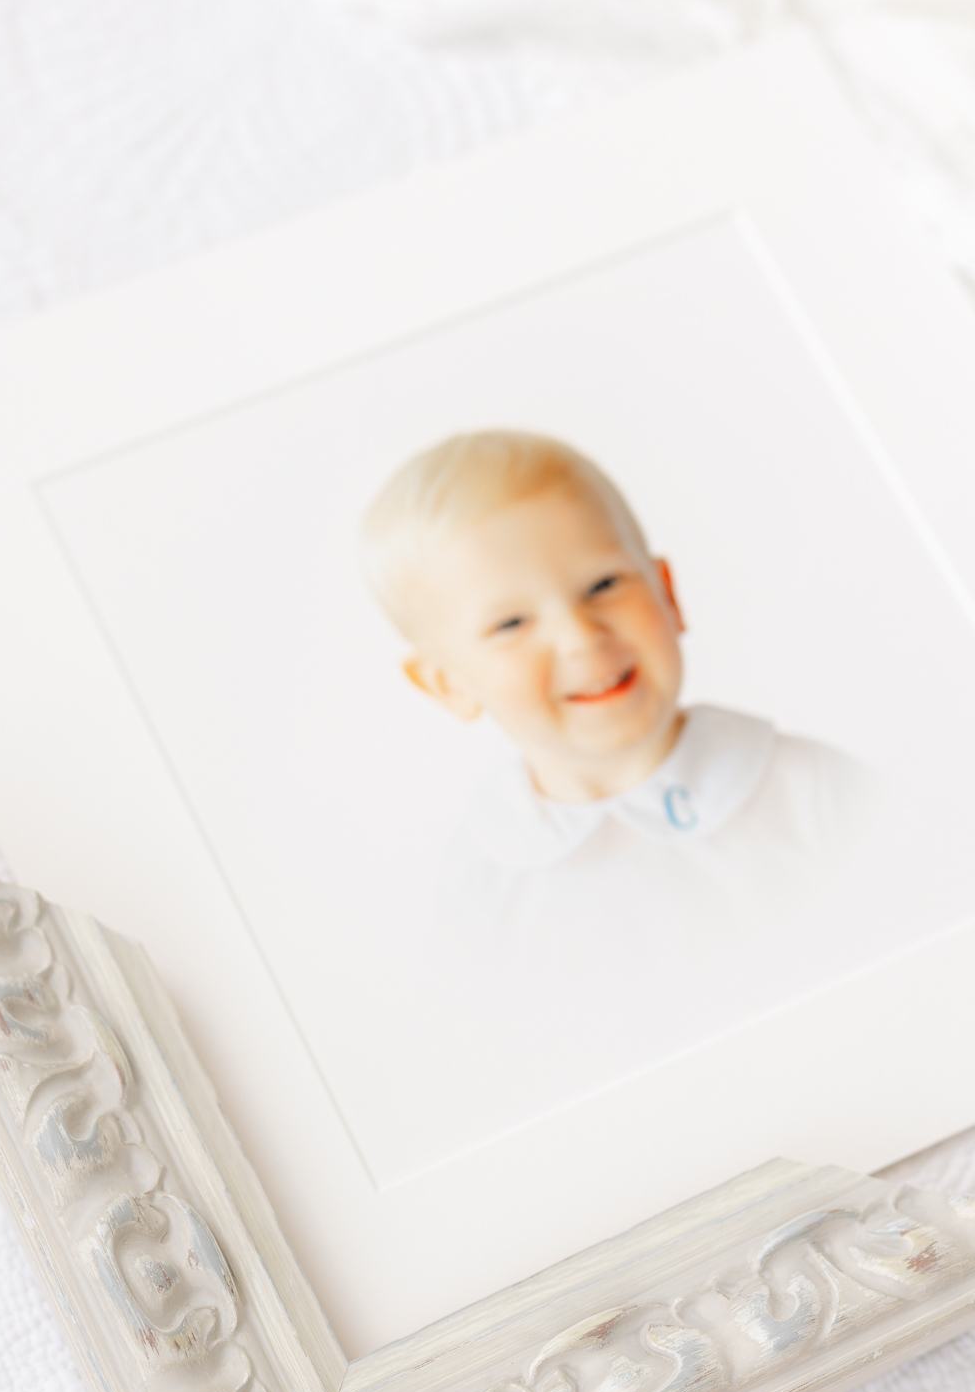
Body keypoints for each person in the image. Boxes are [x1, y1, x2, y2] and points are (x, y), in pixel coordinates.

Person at [360, 428, 881, 1012]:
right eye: (511, 624)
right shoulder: (483, 890)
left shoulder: (815, 792)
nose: (581, 637)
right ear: (448, 683)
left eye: (603, 585)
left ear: (667, 593)